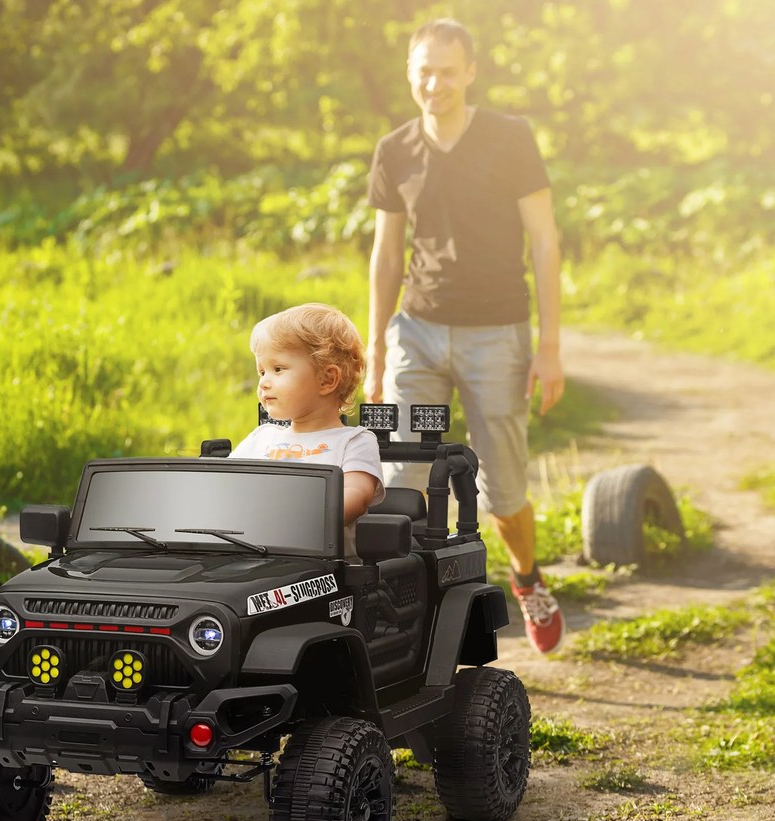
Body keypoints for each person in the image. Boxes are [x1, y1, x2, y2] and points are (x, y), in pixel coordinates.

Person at [365, 17, 566, 653]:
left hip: (497, 336)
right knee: (399, 474)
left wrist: (551, 345)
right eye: (424, 71)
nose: (435, 83)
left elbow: (545, 239)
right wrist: (374, 350)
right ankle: (402, 613)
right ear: (409, 74)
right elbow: (386, 254)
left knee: (503, 489)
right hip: (417, 333)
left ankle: (527, 579)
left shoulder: (510, 138)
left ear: (470, 71)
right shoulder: (395, 150)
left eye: (448, 71)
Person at [231, 303, 385, 556]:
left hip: (326, 571)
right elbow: (225, 486)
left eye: (277, 369)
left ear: (327, 379)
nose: (263, 383)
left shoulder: (354, 442)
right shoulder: (260, 439)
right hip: (253, 558)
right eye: (261, 371)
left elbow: (356, 496)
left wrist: (297, 521)